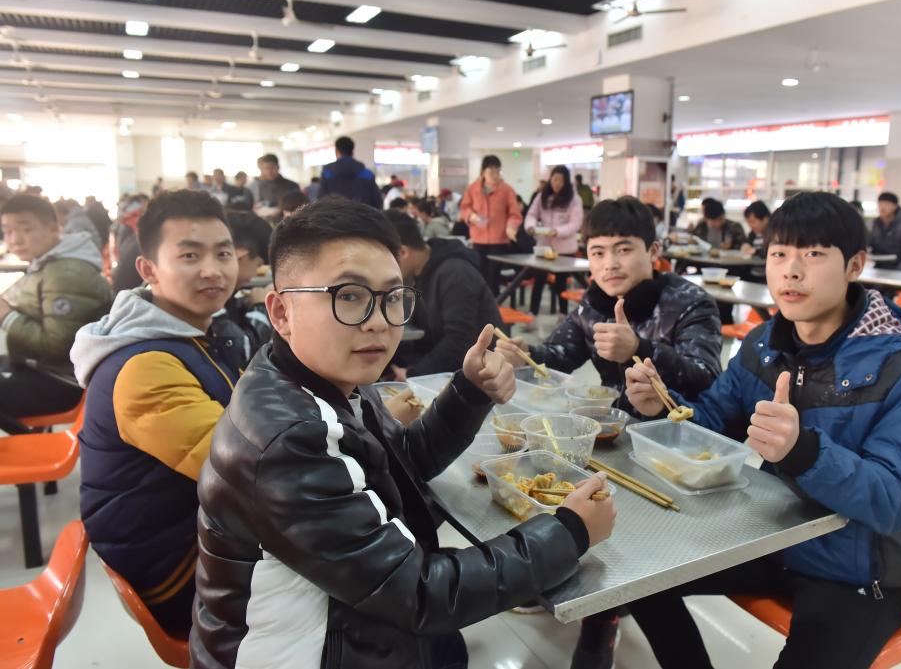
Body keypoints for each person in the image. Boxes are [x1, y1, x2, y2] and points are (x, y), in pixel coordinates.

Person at [189, 200, 615, 669]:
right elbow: (421, 593)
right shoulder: (290, 439)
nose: (378, 320)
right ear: (281, 311)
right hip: (305, 654)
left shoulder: (319, 379)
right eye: (349, 295)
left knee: (450, 649)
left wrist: (468, 392)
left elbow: (400, 462)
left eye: (393, 297)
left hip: (352, 614)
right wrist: (569, 532)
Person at [616, 191, 901, 669]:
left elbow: (894, 503)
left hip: (858, 568)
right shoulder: (763, 345)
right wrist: (660, 407)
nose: (791, 271)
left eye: (814, 254)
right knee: (636, 575)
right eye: (779, 254)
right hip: (772, 538)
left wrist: (803, 451)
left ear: (854, 265)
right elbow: (710, 424)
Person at [72, 189, 242, 634]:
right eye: (190, 256)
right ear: (148, 270)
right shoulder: (144, 366)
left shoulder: (201, 333)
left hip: (202, 529)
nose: (212, 269)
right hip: (177, 571)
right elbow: (246, 470)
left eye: (223, 253)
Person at [496, 196, 722, 417]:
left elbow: (706, 380)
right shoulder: (596, 302)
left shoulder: (690, 303)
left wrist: (638, 349)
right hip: (612, 424)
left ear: (653, 251)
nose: (610, 264)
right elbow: (561, 353)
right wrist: (526, 355)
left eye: (623, 250)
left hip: (673, 430)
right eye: (598, 253)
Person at [0, 195, 112, 431]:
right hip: (44, 368)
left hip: (61, 383)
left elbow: (56, 345)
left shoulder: (66, 273)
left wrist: (7, 316)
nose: (15, 239)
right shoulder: (49, 262)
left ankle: (27, 443)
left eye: (26, 229)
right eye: (7, 231)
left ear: (53, 228)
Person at [386, 209, 501, 378]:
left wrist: (413, 373)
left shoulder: (455, 273)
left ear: (403, 252)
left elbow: (460, 341)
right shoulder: (417, 273)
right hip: (445, 359)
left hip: (480, 371)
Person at [212, 211, 274, 363]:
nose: (254, 275)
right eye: (258, 266)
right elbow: (245, 352)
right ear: (241, 256)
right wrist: (260, 307)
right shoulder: (209, 295)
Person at [524, 164, 584, 316]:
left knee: (561, 282)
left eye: (560, 180)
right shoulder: (542, 196)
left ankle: (563, 314)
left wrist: (556, 231)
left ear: (566, 182)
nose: (557, 183)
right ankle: (533, 313)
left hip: (565, 248)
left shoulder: (574, 199)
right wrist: (531, 227)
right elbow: (531, 214)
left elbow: (575, 224)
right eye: (554, 179)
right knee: (539, 280)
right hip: (544, 247)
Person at [460, 155, 522, 295]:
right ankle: (481, 304)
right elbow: (464, 208)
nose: (495, 175)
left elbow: (515, 213)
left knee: (493, 276)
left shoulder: (507, 190)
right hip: (478, 239)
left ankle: (493, 303)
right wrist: (471, 216)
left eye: (498, 171)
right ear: (483, 172)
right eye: (491, 172)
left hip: (499, 240)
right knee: (479, 275)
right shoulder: (473, 188)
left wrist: (511, 226)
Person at [318, 136, 383, 208]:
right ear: (352, 152)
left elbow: (320, 200)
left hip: (334, 214)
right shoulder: (367, 174)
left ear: (336, 151)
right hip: (361, 214)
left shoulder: (327, 173)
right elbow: (377, 201)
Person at [868, 192, 901, 271]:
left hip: (898, 270)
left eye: (887, 204)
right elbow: (869, 243)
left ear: (895, 206)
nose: (883, 207)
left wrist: (898, 272)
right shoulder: (876, 224)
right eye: (880, 204)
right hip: (878, 268)